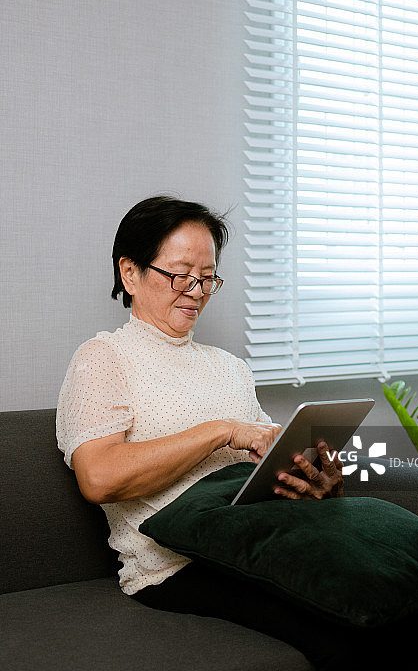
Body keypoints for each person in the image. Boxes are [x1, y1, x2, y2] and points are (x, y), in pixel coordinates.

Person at [57, 195, 363, 671]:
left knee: (409, 607)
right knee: (340, 630)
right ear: (130, 273)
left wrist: (312, 480)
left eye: (207, 278)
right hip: (176, 567)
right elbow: (99, 477)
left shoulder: (231, 368)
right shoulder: (103, 358)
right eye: (181, 274)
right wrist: (221, 431)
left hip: (257, 541)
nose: (196, 291)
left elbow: (264, 462)